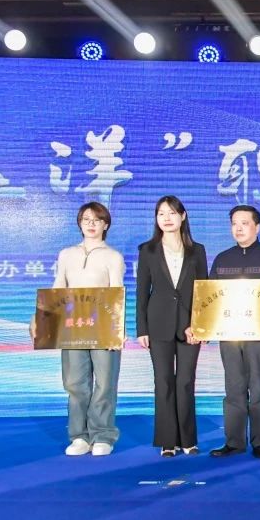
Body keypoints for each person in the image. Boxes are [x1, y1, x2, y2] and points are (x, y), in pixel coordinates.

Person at [35, 201, 126, 456]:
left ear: (105, 225)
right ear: (79, 223)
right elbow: (58, 287)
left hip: (103, 326)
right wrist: (42, 319)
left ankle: (103, 435)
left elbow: (117, 292)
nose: (91, 224)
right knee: (75, 383)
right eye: (86, 219)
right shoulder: (66, 254)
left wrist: (118, 329)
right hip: (72, 326)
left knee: (105, 383)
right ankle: (79, 436)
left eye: (97, 220)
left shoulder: (113, 256)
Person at [207, 205, 260, 459]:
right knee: (233, 387)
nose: (238, 228)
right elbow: (210, 298)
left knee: (259, 388)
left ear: (257, 227)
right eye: (234, 223)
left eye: (244, 223)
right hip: (230, 333)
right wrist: (205, 327)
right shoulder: (222, 259)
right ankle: (234, 442)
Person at [136, 195, 209, 457]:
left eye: (172, 213)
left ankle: (188, 439)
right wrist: (142, 329)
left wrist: (201, 325)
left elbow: (204, 291)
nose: (166, 219)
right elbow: (142, 291)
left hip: (190, 327)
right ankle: (168, 441)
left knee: (186, 382)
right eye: (161, 214)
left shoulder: (197, 250)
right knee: (163, 382)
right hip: (158, 324)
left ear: (183, 216)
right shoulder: (147, 250)